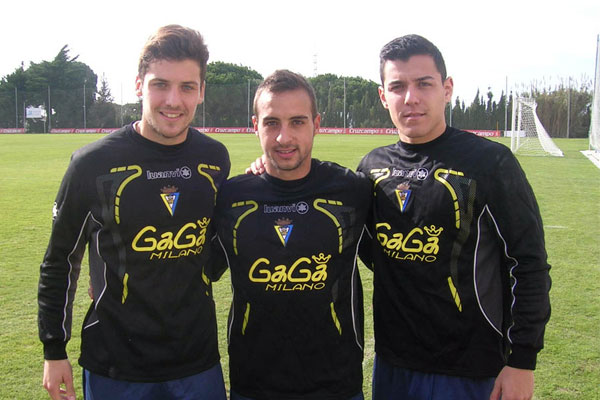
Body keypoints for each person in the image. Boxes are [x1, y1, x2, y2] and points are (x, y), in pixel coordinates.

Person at [38, 25, 230, 400]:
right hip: (115, 365)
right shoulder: (92, 164)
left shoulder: (214, 159)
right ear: (139, 84)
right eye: (161, 84)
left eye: (187, 87)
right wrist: (53, 348)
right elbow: (59, 260)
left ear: (201, 91)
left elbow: (218, 247)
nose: (173, 100)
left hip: (197, 361)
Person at [357, 34, 552, 400]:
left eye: (424, 84)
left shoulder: (490, 163)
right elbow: (368, 251)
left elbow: (528, 265)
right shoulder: (371, 169)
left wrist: (522, 361)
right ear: (384, 96)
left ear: (446, 89)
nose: (410, 98)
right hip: (393, 366)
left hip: (471, 370)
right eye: (397, 86)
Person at [210, 70, 371, 400]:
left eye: (297, 122)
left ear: (317, 123)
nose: (284, 137)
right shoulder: (230, 198)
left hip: (336, 387)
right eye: (272, 123)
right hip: (253, 386)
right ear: (255, 125)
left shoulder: (352, 191)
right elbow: (194, 270)